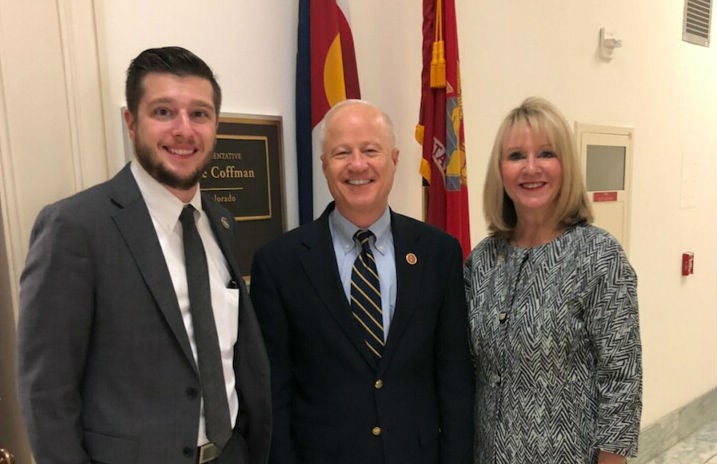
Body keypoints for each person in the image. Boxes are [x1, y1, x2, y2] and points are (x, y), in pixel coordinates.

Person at [17, 46, 271, 464]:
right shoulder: (76, 227)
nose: (184, 130)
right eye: (164, 112)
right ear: (131, 123)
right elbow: (46, 392)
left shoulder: (221, 223)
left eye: (200, 114)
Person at [250, 99, 474, 464]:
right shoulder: (279, 263)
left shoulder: (439, 253)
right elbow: (275, 393)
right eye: (341, 153)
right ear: (324, 166)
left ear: (395, 159)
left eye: (371, 150)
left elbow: (454, 378)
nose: (357, 164)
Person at [464, 97, 642, 464]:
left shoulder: (598, 255)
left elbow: (621, 383)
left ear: (566, 166)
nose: (531, 168)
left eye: (546, 153)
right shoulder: (482, 260)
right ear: (500, 171)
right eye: (515, 156)